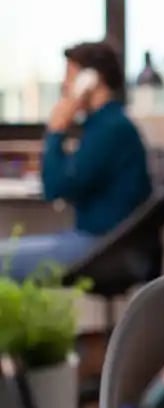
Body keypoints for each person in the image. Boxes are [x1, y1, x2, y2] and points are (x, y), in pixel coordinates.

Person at [0, 41, 153, 282]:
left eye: (70, 75)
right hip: (100, 241)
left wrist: (56, 130)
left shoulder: (110, 129)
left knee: (2, 259)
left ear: (91, 80)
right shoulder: (106, 124)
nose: (65, 85)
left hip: (103, 246)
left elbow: (55, 188)